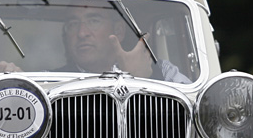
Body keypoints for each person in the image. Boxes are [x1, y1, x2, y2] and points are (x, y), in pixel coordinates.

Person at [58, 6, 190, 84]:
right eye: (73, 24)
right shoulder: (49, 82)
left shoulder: (163, 72)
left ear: (119, 31)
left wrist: (138, 80)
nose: (82, 33)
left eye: (94, 21)